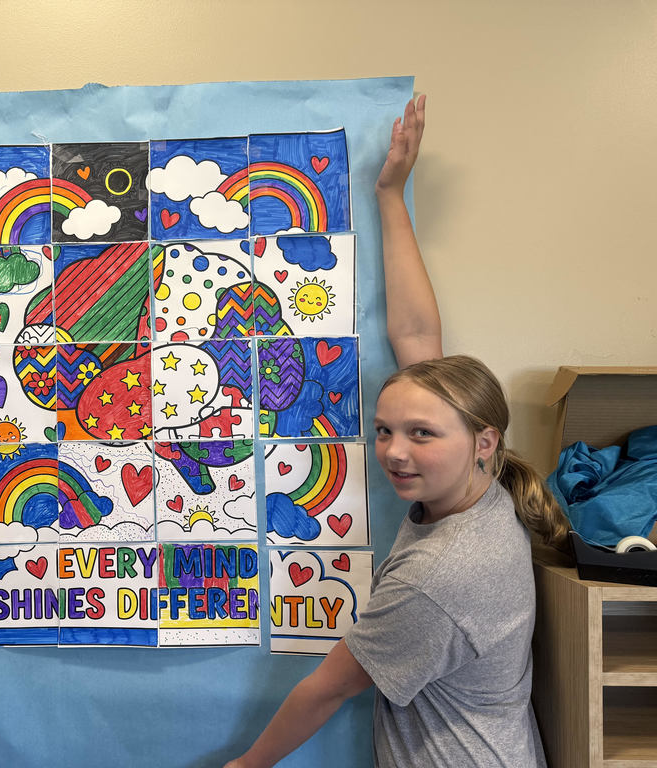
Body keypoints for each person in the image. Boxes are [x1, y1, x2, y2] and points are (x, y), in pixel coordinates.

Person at [224, 96, 570, 767]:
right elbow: (417, 337)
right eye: (383, 431)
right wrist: (389, 193)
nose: (395, 452)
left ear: (484, 440)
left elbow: (327, 691)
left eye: (419, 435)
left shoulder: (440, 576)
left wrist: (243, 765)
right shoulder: (479, 486)